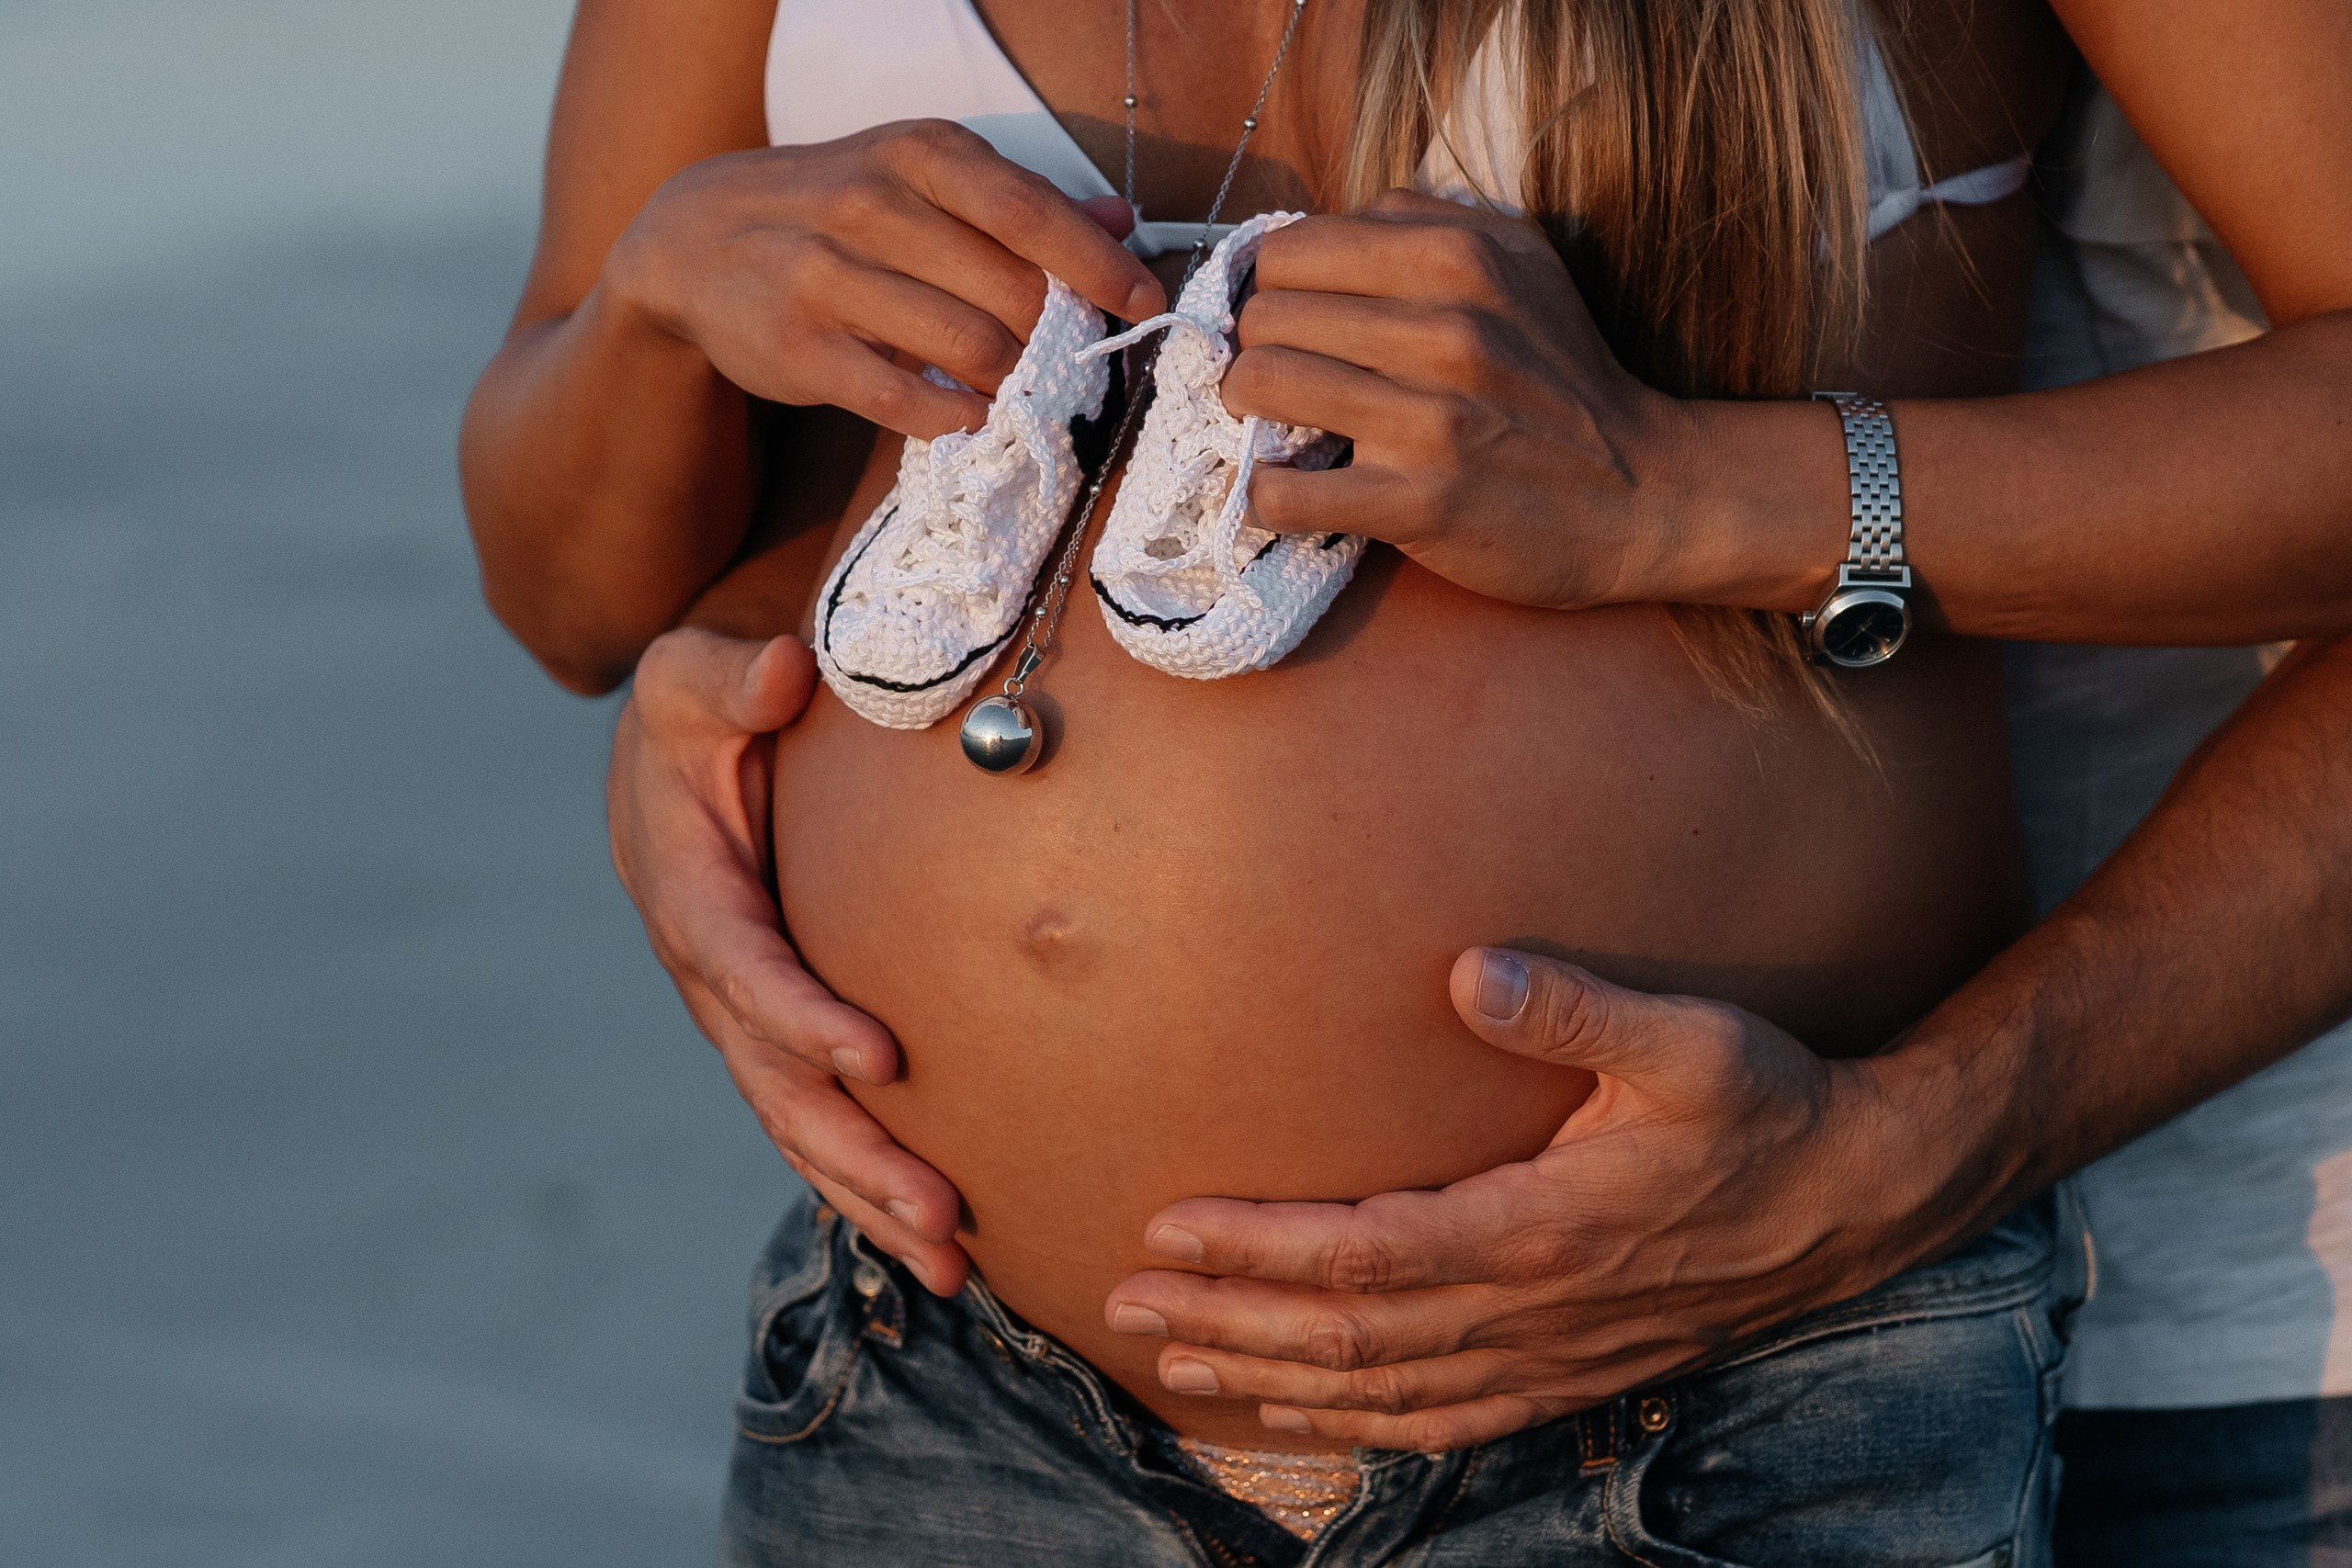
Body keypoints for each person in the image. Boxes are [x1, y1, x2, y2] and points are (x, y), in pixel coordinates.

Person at [465, 1, 2351, 1564]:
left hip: (1709, 1407)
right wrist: (653, 309)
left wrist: (1674, 490)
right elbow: (572, 593)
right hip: (937, 1379)